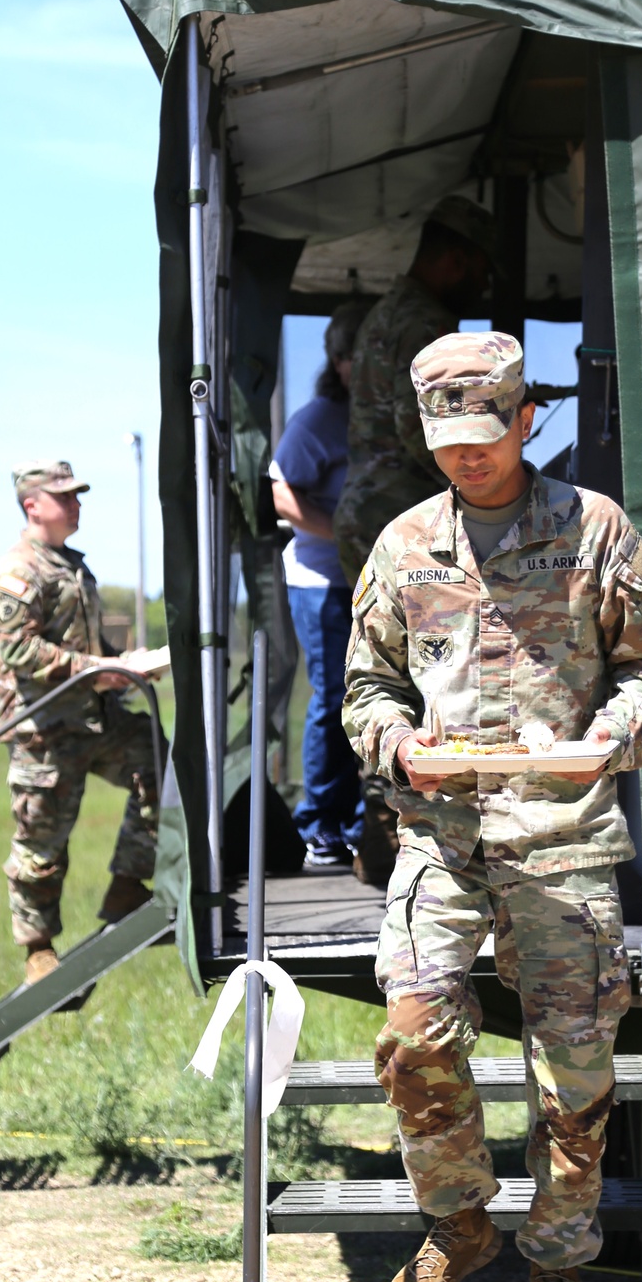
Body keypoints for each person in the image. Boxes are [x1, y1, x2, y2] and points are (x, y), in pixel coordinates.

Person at [343, 333, 642, 1282]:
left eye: (484, 436)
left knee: (572, 1072)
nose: (466, 457)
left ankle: (560, 1262)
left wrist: (601, 746)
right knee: (412, 1025)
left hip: (562, 837)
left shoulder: (596, 529)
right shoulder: (402, 546)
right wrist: (403, 752)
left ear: (526, 419)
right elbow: (366, 690)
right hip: (441, 837)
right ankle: (458, 1219)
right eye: (447, 442)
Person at [333, 193, 498, 885]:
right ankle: (412, 832)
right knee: (429, 673)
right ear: (452, 258)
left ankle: (387, 823)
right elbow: (421, 433)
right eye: (475, 268)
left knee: (387, 672)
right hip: (401, 520)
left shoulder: (385, 312)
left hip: (368, 510)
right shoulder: (425, 324)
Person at [0, 461, 165, 985]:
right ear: (32, 505)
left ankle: (128, 887)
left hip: (95, 720)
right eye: (63, 497)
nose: (76, 504)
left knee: (160, 760)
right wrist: (103, 671)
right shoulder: (18, 571)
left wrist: (125, 664)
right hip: (44, 730)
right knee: (41, 843)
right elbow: (19, 650)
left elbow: (81, 644)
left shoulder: (71, 566)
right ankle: (38, 949)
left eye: (76, 495)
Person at [270, 301, 371, 866]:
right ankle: (321, 826)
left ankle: (364, 823)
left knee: (378, 698)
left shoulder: (388, 417)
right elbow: (282, 493)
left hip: (383, 584)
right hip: (324, 582)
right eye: (361, 359)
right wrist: (345, 537)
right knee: (335, 698)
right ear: (338, 363)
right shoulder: (317, 421)